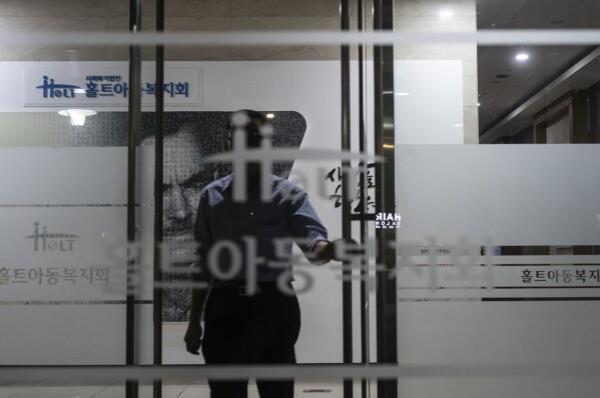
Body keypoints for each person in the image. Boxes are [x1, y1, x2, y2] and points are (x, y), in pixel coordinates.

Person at [184, 110, 340, 398]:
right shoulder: (212, 196)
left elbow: (313, 247)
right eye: (240, 138)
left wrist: (331, 249)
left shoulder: (288, 195)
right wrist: (194, 320)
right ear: (230, 143)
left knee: (277, 391)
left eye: (254, 138)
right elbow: (203, 262)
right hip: (225, 304)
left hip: (273, 305)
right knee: (225, 392)